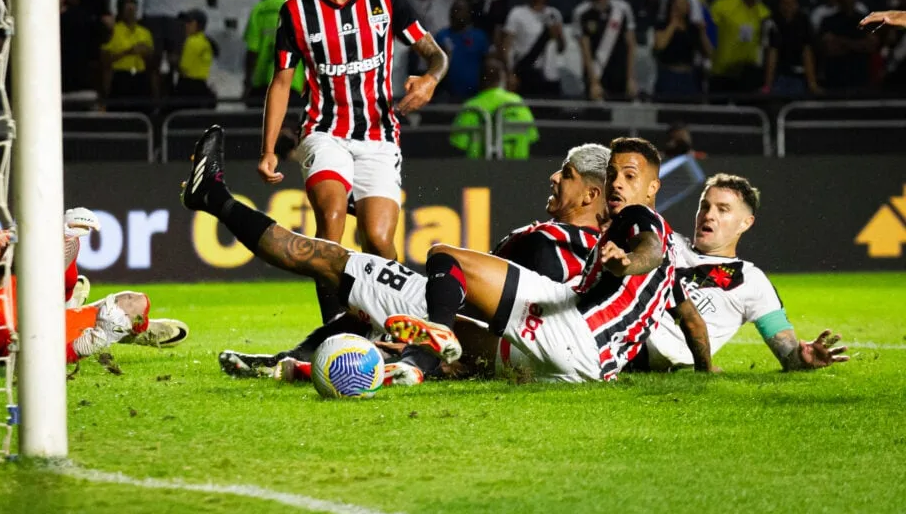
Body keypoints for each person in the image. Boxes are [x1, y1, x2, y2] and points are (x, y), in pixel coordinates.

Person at [185, 128, 711, 385]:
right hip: (529, 356)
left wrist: (628, 262)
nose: (554, 179)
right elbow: (681, 314)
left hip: (523, 335)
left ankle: (211, 197)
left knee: (328, 260)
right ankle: (301, 366)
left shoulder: (580, 239)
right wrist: (700, 373)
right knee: (367, 305)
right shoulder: (607, 255)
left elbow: (646, 247)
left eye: (567, 175)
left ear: (592, 195)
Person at [260, 0, 448, 323]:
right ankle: (334, 329)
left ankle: (392, 325)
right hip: (322, 130)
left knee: (379, 241)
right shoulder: (295, 11)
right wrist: (269, 149)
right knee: (329, 222)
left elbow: (435, 54)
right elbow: (281, 82)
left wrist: (431, 80)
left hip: (379, 134)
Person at [632, 174, 849, 372]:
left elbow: (790, 355)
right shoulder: (667, 241)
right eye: (704, 206)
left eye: (723, 209)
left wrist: (805, 360)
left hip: (648, 351)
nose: (709, 215)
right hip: (621, 327)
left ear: (745, 223)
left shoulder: (752, 281)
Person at [0, 204, 188, 364]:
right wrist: (97, 338)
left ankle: (65, 302)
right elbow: (36, 361)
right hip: (5, 348)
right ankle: (135, 330)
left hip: (17, 304)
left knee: (61, 245)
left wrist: (62, 231)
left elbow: (18, 242)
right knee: (132, 304)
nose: (1, 241)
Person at [449, 57, 538, 159]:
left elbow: (459, 143)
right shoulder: (518, 103)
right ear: (503, 78)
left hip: (477, 170)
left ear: (480, 79)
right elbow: (532, 136)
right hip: (519, 170)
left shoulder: (471, 106)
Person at [574, 0, 638, 100]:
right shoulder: (582, 12)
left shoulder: (623, 8)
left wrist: (630, 78)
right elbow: (585, 50)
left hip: (620, 75)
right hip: (596, 74)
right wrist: (593, 82)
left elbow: (631, 44)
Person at [500, 0, 567, 98]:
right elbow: (505, 47)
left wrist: (558, 35)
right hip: (526, 72)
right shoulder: (517, 14)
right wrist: (509, 73)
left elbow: (561, 48)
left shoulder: (554, 14)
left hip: (550, 75)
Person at [243, 0, 301, 105]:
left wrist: (247, 82)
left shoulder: (260, 9)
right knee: (289, 125)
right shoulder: (300, 8)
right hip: (293, 81)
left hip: (263, 82)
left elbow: (252, 50)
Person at [709, 0, 770, 94]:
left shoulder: (764, 12)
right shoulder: (722, 6)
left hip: (748, 73)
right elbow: (709, 32)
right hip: (722, 72)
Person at [818, 0, 877, 91]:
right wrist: (858, 45)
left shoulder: (866, 21)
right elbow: (830, 49)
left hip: (860, 77)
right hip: (836, 78)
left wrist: (842, 42)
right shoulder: (829, 21)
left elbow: (870, 46)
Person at [653, 0, 712, 98]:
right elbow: (660, 46)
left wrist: (703, 32)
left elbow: (708, 53)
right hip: (669, 75)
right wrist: (673, 24)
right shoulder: (663, 25)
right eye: (678, 4)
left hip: (688, 76)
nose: (681, 7)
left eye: (684, 4)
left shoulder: (693, 28)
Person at [100, 0, 156, 104]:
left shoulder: (145, 32)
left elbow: (152, 62)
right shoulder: (113, 30)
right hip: (121, 77)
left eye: (133, 9)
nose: (131, 13)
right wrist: (128, 52)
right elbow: (104, 59)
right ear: (121, 10)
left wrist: (147, 53)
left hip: (140, 76)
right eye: (127, 9)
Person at [762, 0, 819, 97]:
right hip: (779, 77)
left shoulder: (804, 22)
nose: (788, 7)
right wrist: (768, 85)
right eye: (785, 3)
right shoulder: (771, 23)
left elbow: (807, 53)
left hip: (799, 77)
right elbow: (771, 54)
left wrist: (812, 83)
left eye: (792, 3)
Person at [434, 0, 490, 101]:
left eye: (459, 10)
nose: (455, 13)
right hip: (447, 94)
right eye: (453, 10)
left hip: (475, 94)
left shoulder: (479, 36)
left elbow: (486, 63)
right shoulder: (442, 36)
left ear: (468, 13)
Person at [174, 9, 218, 108]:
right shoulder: (206, 41)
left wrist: (174, 62)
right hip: (202, 86)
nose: (186, 25)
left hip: (189, 88)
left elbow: (184, 69)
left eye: (189, 22)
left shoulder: (192, 41)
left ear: (198, 25)